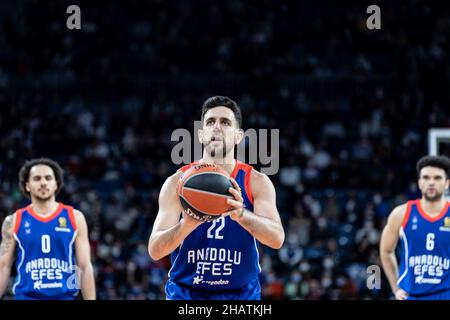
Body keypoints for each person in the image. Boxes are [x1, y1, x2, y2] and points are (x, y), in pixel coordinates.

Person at [148, 96, 285, 300]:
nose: (217, 127)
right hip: (186, 293)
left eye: (225, 122)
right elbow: (155, 250)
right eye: (210, 122)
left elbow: (276, 239)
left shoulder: (256, 181)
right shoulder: (176, 182)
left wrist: (241, 215)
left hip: (241, 294)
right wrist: (186, 225)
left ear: (239, 136)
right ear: (201, 134)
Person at [0, 158, 96, 300]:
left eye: (48, 178)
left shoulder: (75, 217)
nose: (43, 182)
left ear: (56, 184)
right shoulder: (13, 221)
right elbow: (3, 267)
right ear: (27, 185)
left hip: (64, 296)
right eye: (37, 178)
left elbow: (84, 267)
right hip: (27, 297)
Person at [380, 155, 450, 300]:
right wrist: (395, 288)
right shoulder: (401, 213)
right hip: (412, 295)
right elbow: (386, 250)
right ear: (419, 182)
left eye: (437, 178)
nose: (431, 182)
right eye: (426, 178)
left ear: (447, 183)